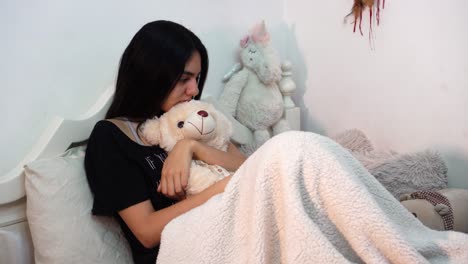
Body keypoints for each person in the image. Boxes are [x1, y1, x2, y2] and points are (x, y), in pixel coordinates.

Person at [84, 20, 246, 264]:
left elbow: (246, 165)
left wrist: (190, 147)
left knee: (291, 151)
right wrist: (222, 189)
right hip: (183, 252)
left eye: (197, 78)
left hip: (233, 234)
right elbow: (147, 232)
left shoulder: (190, 117)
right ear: (151, 75)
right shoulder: (110, 137)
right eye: (184, 78)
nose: (194, 89)